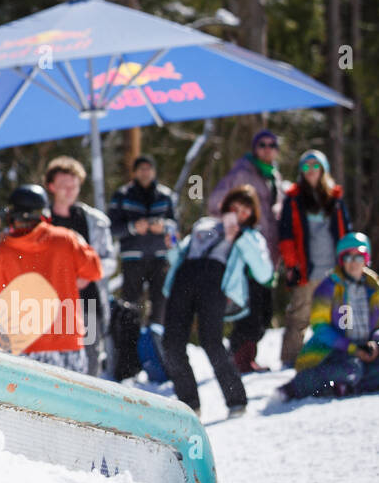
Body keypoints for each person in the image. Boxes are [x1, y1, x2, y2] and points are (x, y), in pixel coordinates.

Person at [161, 186, 273, 417]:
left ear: (251, 215)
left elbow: (264, 273)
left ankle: (236, 400)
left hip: (214, 282)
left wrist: (238, 237)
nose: (239, 213)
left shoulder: (250, 237)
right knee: (171, 343)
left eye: (245, 211)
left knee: (211, 341)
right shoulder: (205, 225)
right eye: (235, 208)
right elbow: (181, 255)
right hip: (184, 278)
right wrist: (171, 246)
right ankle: (189, 405)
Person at [0, 185, 103, 372]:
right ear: (44, 214)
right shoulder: (65, 239)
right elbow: (95, 270)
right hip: (67, 344)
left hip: (25, 347)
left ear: (12, 216)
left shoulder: (2, 251)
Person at [279, 233, 379, 400]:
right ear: (341, 260)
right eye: (348, 257)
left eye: (358, 256)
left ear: (366, 258)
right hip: (334, 352)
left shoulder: (375, 288)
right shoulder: (329, 287)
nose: (353, 262)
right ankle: (298, 386)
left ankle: (351, 385)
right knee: (351, 368)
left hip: (365, 350)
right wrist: (353, 349)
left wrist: (377, 343)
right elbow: (320, 328)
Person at [208, 128, 284, 372]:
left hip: (268, 251)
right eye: (262, 144)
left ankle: (244, 356)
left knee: (264, 309)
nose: (267, 149)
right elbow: (215, 203)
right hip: (245, 253)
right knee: (250, 310)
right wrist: (234, 226)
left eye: (272, 145)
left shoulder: (274, 176)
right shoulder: (243, 172)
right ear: (254, 148)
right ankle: (240, 359)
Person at [277, 150, 352, 369]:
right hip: (305, 270)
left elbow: (345, 231)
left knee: (335, 314)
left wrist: (348, 262)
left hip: (334, 268)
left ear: (323, 169)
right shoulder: (293, 199)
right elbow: (286, 235)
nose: (310, 171)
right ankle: (290, 360)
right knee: (299, 316)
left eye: (315, 166)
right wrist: (292, 264)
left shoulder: (335, 198)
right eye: (306, 166)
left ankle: (333, 356)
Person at [108, 155, 178, 379]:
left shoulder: (166, 196)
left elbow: (175, 228)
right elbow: (112, 228)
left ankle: (158, 355)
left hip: (160, 258)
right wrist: (132, 227)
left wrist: (165, 227)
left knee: (161, 305)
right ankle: (129, 359)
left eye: (149, 168)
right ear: (135, 172)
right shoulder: (122, 195)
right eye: (142, 169)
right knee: (131, 309)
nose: (146, 172)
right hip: (132, 258)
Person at [45, 156, 116, 377]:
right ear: (51, 186)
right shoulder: (41, 221)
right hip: (52, 307)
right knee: (55, 365)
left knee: (91, 359)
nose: (69, 190)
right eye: (64, 185)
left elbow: (110, 260)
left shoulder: (93, 220)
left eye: (74, 185)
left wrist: (88, 275)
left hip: (89, 303)